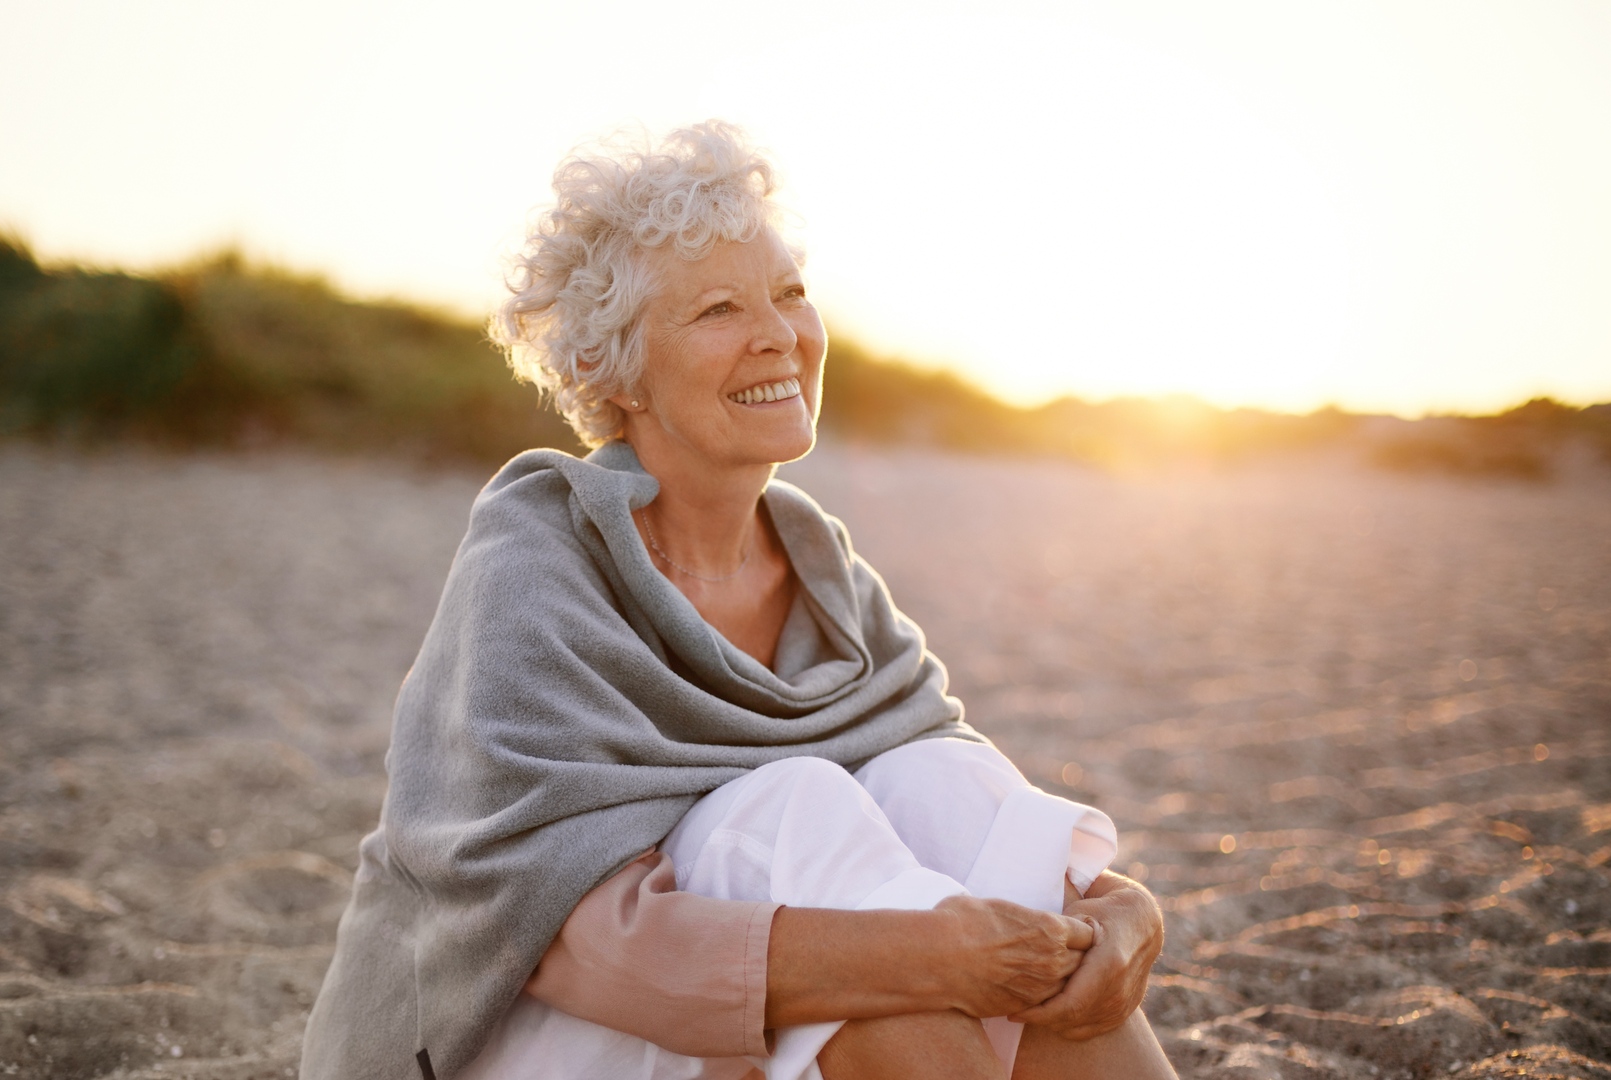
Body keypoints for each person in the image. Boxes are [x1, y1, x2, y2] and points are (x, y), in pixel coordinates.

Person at [299, 122, 1177, 1080]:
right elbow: (562, 939)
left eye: (790, 292)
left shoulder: (817, 563)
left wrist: (1118, 913)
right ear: (608, 369)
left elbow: (966, 801)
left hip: (756, 1010)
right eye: (719, 308)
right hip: (503, 1028)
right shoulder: (538, 564)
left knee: (932, 779)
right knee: (798, 812)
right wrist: (933, 954)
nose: (779, 335)